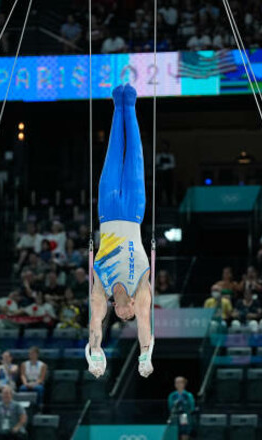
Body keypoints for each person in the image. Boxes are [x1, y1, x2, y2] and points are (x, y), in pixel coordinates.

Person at [87, 85, 154, 379]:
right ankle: (131, 104)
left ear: (117, 309)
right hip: (134, 212)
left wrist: (95, 353)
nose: (129, 316)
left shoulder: (101, 290)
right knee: (135, 154)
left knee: (114, 151)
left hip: (107, 210)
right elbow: (145, 326)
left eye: (123, 316)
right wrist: (145, 356)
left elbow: (94, 325)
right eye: (131, 317)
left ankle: (117, 104)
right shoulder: (141, 290)